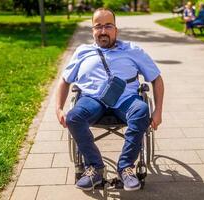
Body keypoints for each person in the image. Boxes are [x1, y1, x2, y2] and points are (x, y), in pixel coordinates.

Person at [56, 7, 164, 192]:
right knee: (74, 116)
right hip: (91, 100)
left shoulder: (133, 50)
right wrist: (58, 108)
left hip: (126, 99)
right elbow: (64, 80)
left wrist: (158, 110)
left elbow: (156, 78)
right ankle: (95, 167)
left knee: (141, 110)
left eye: (108, 26)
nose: (103, 31)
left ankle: (125, 167)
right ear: (92, 30)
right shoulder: (82, 51)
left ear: (116, 30)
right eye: (98, 26)